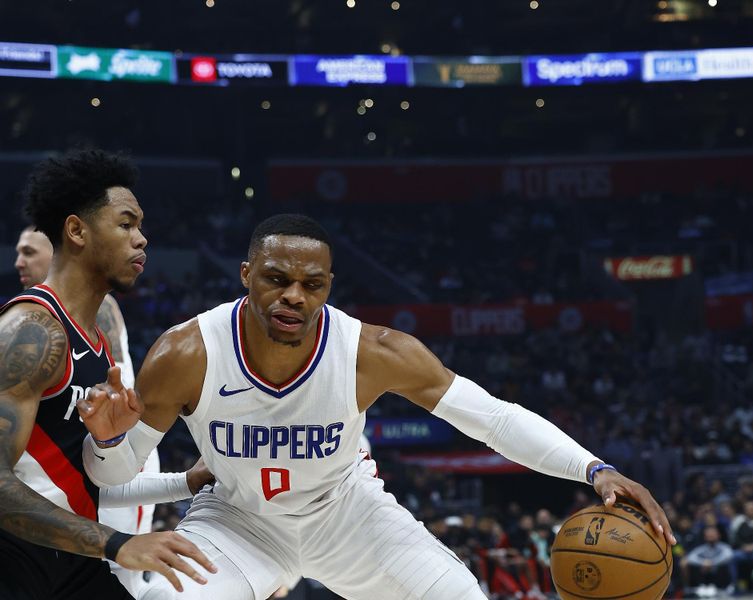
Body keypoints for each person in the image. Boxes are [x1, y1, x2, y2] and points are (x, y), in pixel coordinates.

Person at [80, 213, 676, 600]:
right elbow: (109, 478)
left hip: (348, 516)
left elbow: (493, 418)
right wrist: (106, 442)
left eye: (311, 285)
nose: (293, 295)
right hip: (240, 522)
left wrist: (595, 469)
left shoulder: (373, 351)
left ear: (329, 287)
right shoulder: (187, 352)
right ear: (246, 275)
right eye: (276, 278)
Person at [0, 148, 216, 600]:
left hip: (70, 560)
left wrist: (179, 479)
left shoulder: (96, 343)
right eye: (126, 224)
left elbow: (70, 486)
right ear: (76, 229)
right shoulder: (32, 331)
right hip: (15, 561)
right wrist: (119, 545)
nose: (142, 239)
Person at [14, 225, 185, 597]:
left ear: (59, 249)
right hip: (84, 457)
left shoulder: (97, 308)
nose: (19, 262)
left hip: (119, 449)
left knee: (122, 572)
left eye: (29, 252)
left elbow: (118, 390)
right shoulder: (37, 318)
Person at [682, 526, 736, 597]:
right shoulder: (702, 548)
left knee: (727, 564)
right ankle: (696, 587)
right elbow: (690, 557)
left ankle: (727, 587)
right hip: (704, 573)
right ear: (705, 537)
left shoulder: (724, 547)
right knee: (686, 563)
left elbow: (729, 555)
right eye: (708, 535)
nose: (711, 536)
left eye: (712, 534)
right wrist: (703, 562)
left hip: (720, 575)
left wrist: (712, 563)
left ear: (718, 535)